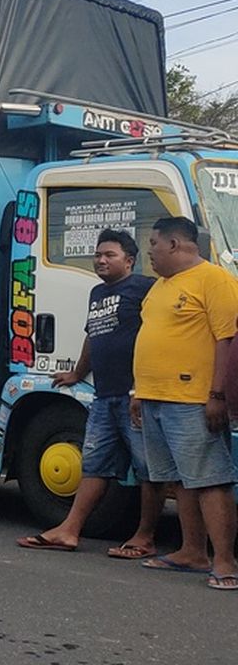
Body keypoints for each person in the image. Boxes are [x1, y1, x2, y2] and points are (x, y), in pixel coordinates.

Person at [16, 229, 162, 556]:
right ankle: (69, 531)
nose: (101, 260)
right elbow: (92, 335)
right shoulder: (97, 293)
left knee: (148, 469)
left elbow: (159, 333)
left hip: (135, 396)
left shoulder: (144, 288)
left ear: (130, 260)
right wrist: (78, 373)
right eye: (97, 255)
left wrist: (145, 386)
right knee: (94, 464)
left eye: (109, 255)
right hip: (104, 396)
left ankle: (145, 537)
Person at [132, 216, 238, 590]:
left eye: (154, 246)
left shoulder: (215, 280)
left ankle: (225, 562)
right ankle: (192, 551)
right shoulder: (160, 286)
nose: (150, 254)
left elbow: (228, 340)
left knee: (211, 480)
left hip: (194, 400)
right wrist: (139, 393)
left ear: (176, 244)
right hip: (155, 399)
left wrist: (218, 395)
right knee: (180, 480)